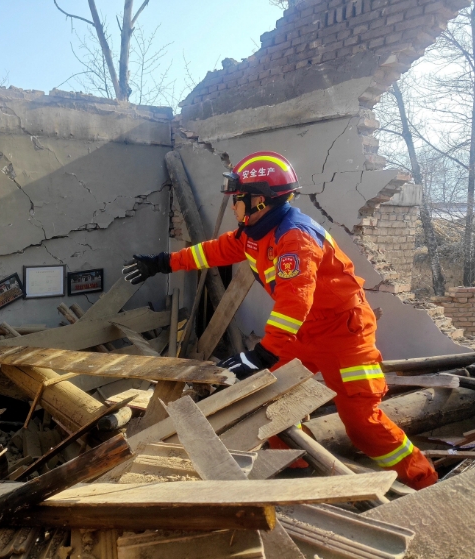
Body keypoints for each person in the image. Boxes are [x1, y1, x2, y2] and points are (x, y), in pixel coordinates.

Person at [122, 151, 437, 490]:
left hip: (344, 335)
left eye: (237, 200)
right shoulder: (255, 233)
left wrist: (263, 355)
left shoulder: (295, 238)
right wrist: (163, 262)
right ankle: (295, 466)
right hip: (303, 332)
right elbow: (213, 251)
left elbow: (294, 301)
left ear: (259, 200)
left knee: (362, 424)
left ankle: (424, 483)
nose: (233, 207)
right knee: (271, 398)